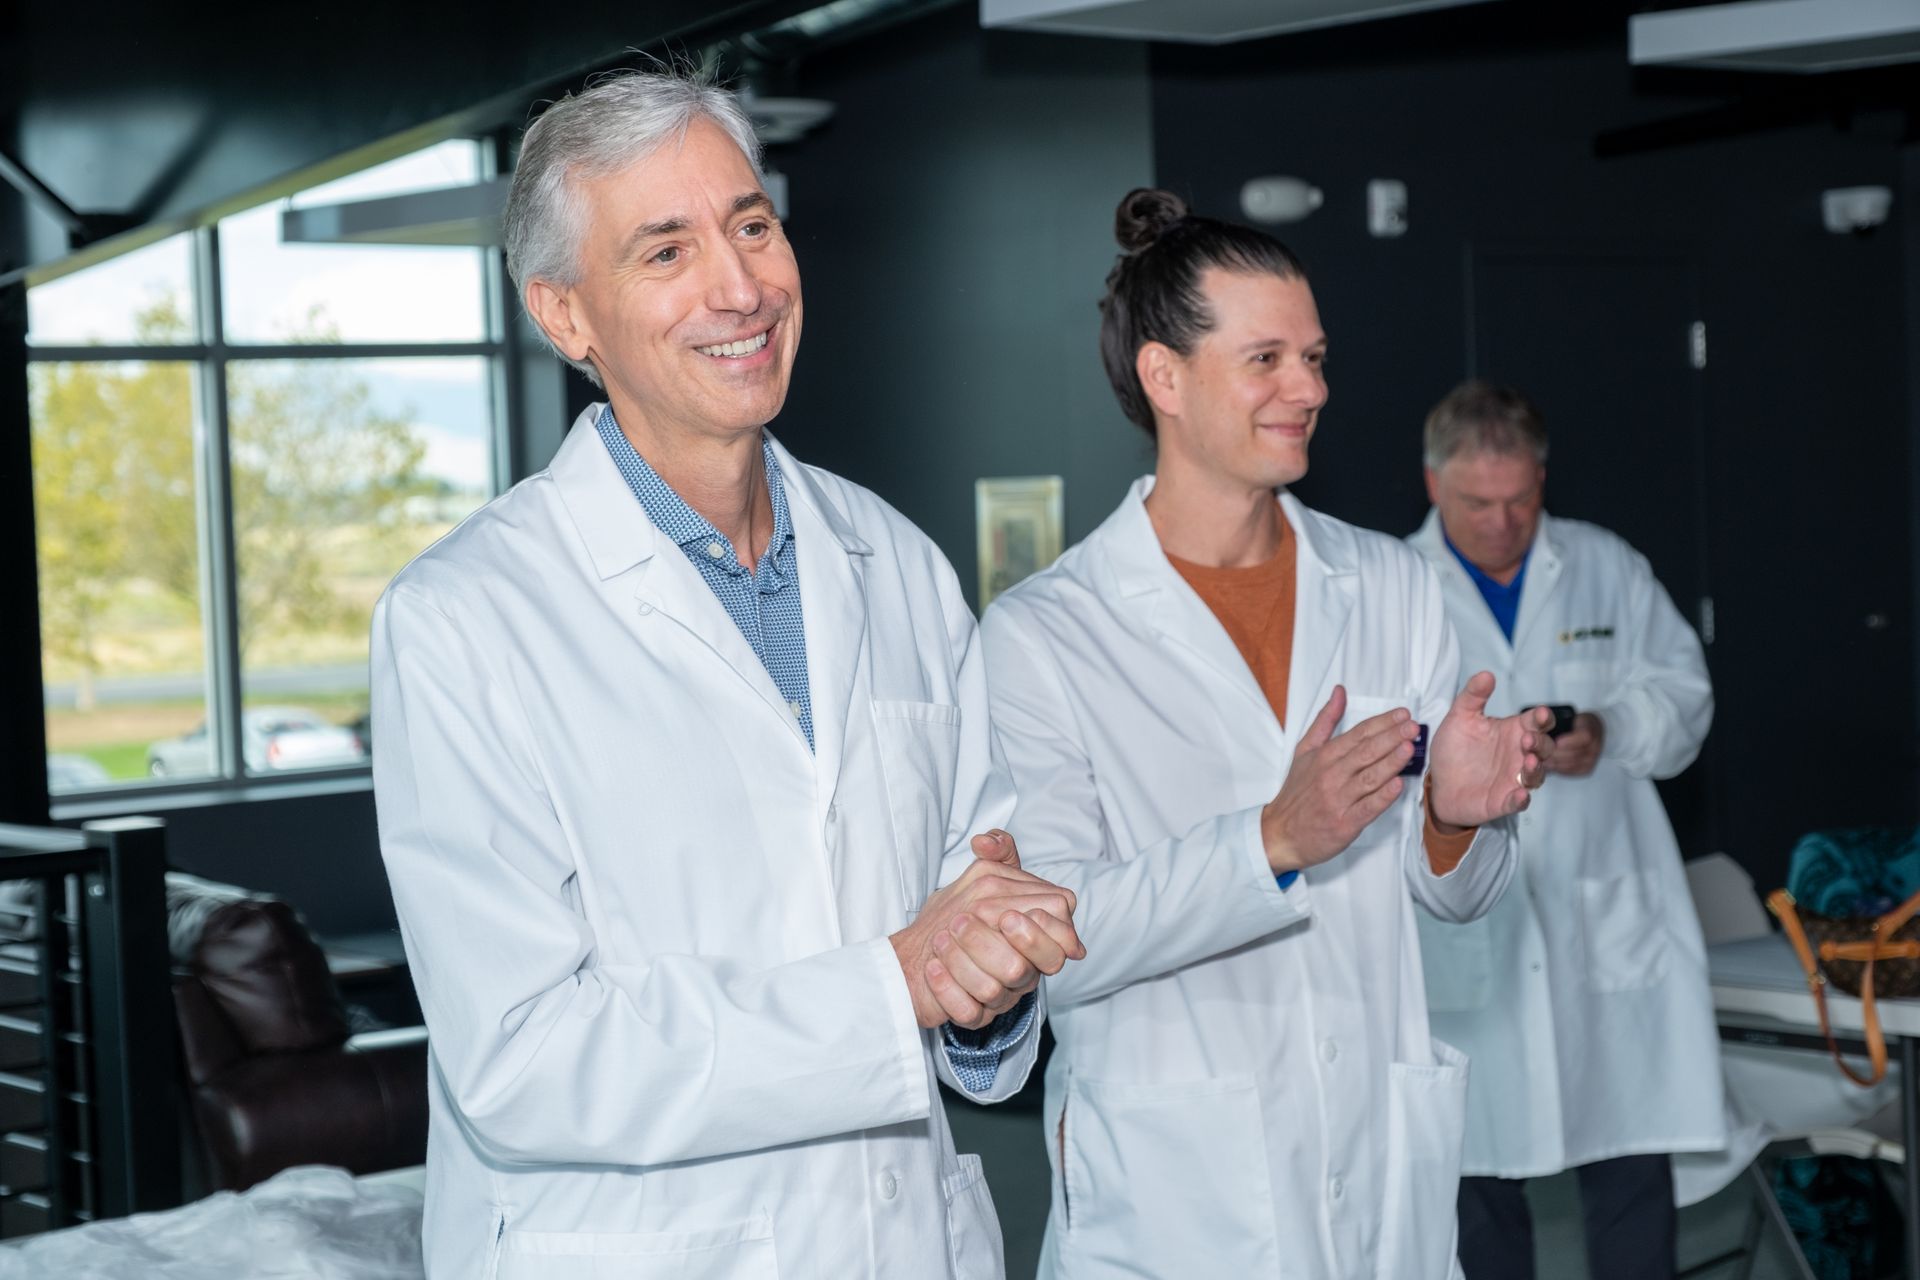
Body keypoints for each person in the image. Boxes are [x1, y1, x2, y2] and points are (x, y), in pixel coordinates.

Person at [370, 70, 1085, 1280]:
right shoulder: (462, 619)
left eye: (752, 224)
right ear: (565, 315)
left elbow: (970, 905)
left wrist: (991, 987)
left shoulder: (899, 564)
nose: (742, 287)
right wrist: (894, 984)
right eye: (667, 250)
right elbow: (524, 1058)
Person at [979, 188, 1552, 1280]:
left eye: (1317, 358)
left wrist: (1454, 818)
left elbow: (1453, 896)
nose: (1312, 388)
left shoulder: (1391, 584)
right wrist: (1270, 841)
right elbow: (1055, 939)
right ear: (1165, 377)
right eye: (1268, 360)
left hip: (1375, 1167)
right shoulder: (1045, 634)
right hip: (1174, 1200)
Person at [1408, 379, 1721, 1280]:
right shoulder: (1395, 585)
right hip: (1467, 930)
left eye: (1520, 499)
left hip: (1603, 912)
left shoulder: (1604, 564)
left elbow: (1685, 697)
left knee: (1630, 1169)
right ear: (1433, 485)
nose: (1504, 523)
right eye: (1478, 504)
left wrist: (1610, 732)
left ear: (1543, 479)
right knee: (1479, 1189)